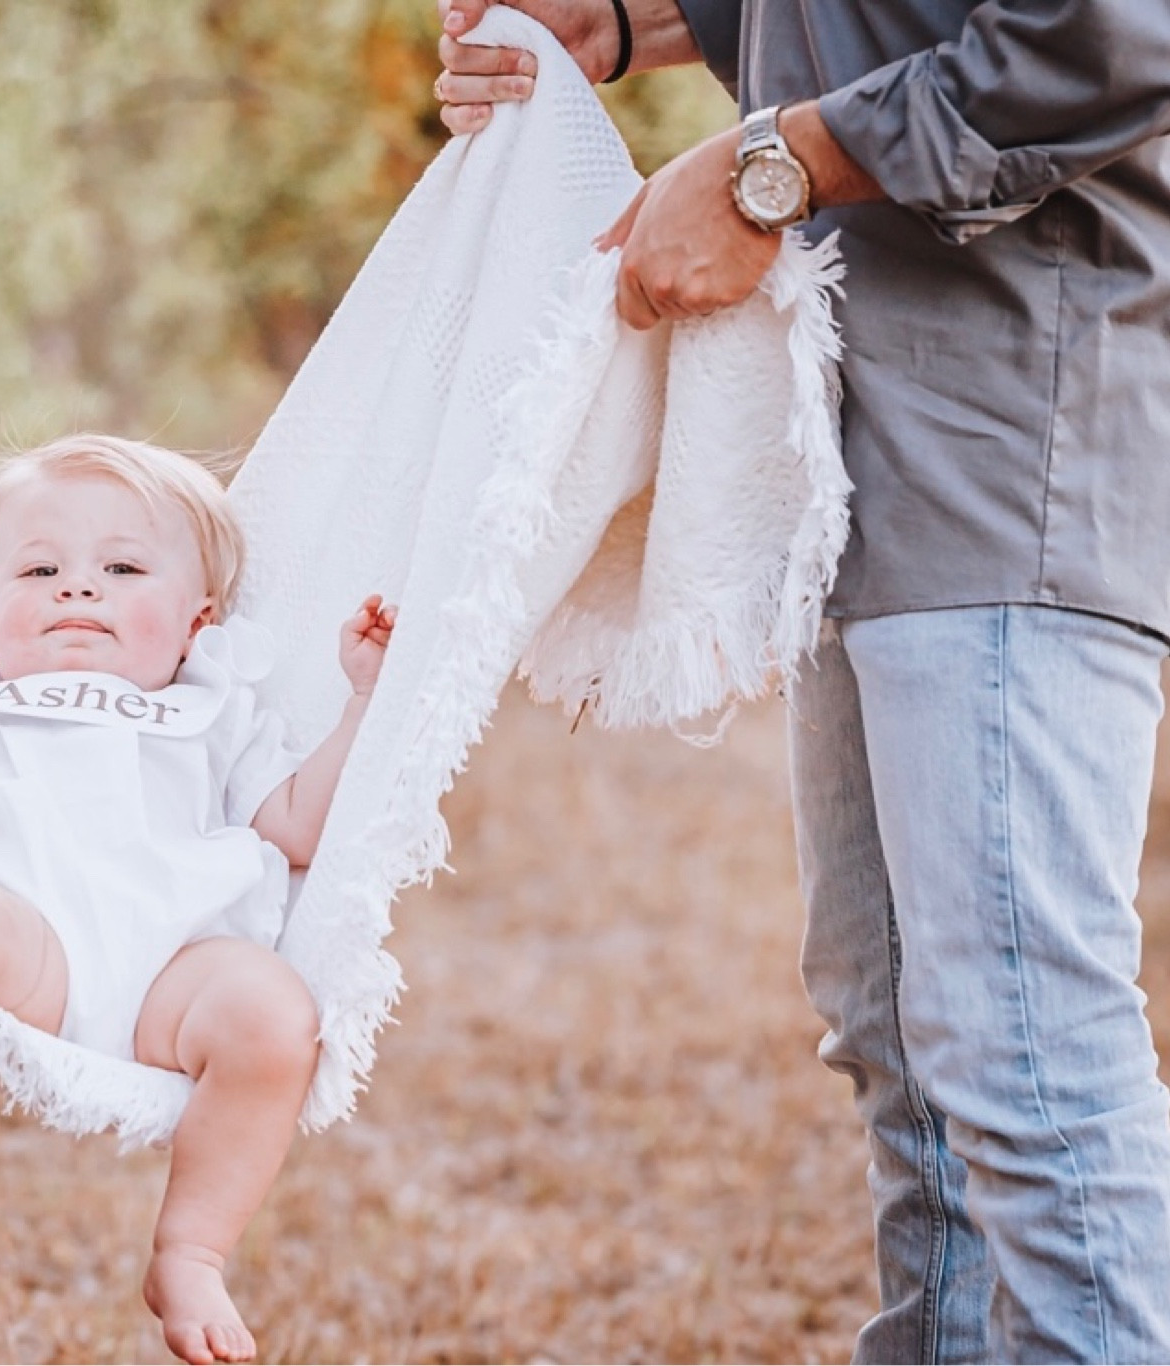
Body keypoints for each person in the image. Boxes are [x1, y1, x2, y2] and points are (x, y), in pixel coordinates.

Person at [435, 0, 1170, 1360]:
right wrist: (619, 20)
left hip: (1015, 435)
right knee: (905, 1051)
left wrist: (770, 166)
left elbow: (1114, 33)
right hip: (850, 438)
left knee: (1022, 1048)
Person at [0, 434, 395, 1366]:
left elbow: (301, 824)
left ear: (198, 625)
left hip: (179, 971)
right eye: (39, 569)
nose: (77, 588)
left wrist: (366, 705)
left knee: (276, 1017)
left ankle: (192, 1249)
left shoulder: (218, 709)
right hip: (31, 938)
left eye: (120, 566)